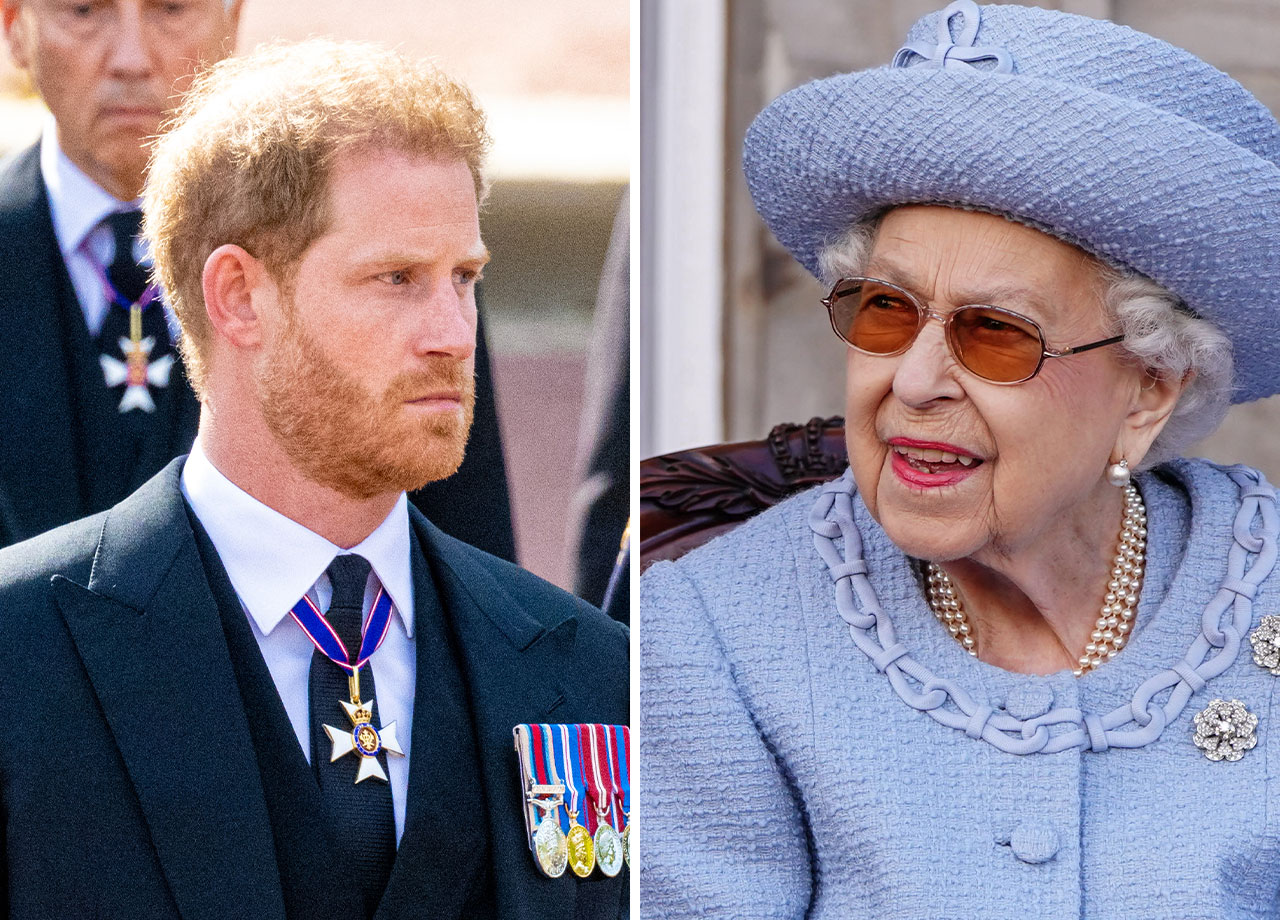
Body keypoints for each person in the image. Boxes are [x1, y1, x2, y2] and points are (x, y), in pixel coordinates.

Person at [640, 2, 1280, 916]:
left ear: (1149, 388)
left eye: (993, 332)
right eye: (885, 311)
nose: (914, 381)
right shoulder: (717, 639)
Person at [0, 39, 628, 919]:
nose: (452, 331)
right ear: (238, 297)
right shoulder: (21, 654)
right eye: (397, 278)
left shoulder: (596, 674)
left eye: (465, 278)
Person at [0, 0, 516, 562]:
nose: (131, 58)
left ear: (233, 19)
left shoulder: (403, 249)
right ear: (14, 27)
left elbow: (469, 566)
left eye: (171, 8)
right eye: (83, 10)